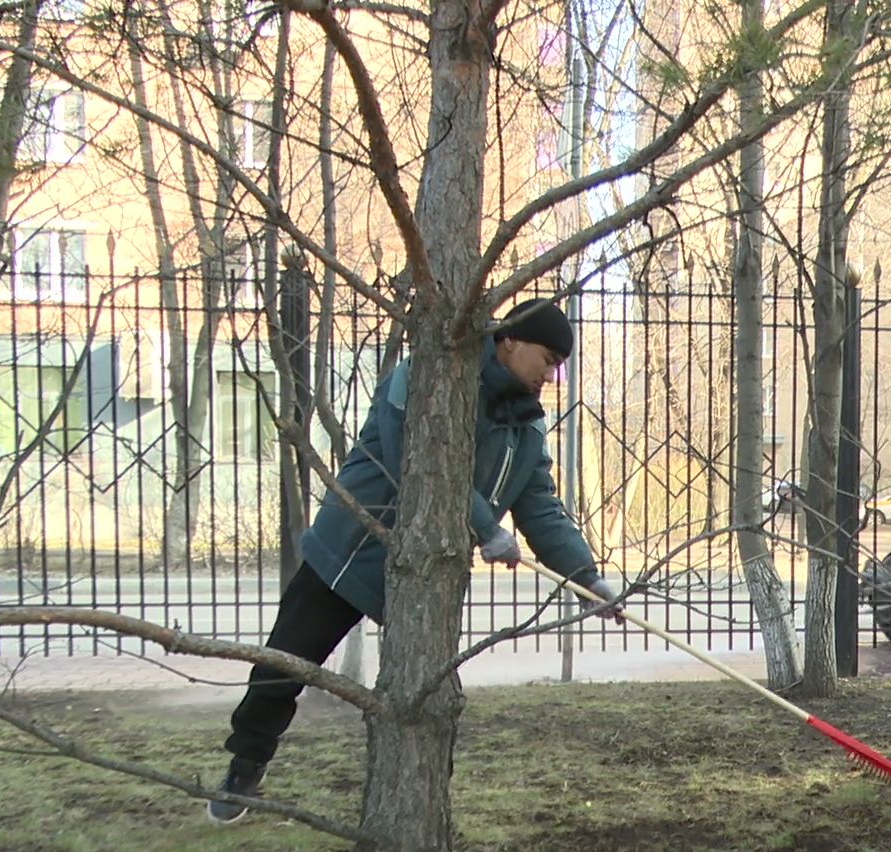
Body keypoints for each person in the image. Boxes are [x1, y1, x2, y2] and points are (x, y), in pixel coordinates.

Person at [206, 299, 623, 824]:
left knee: (421, 696)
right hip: (349, 549)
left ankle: (412, 809)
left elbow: (540, 503)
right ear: (508, 341)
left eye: (560, 363)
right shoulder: (427, 380)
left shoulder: (526, 426)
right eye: (547, 357)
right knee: (285, 665)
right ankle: (246, 764)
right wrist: (486, 527)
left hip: (430, 575)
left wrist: (587, 578)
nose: (551, 373)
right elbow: (422, 463)